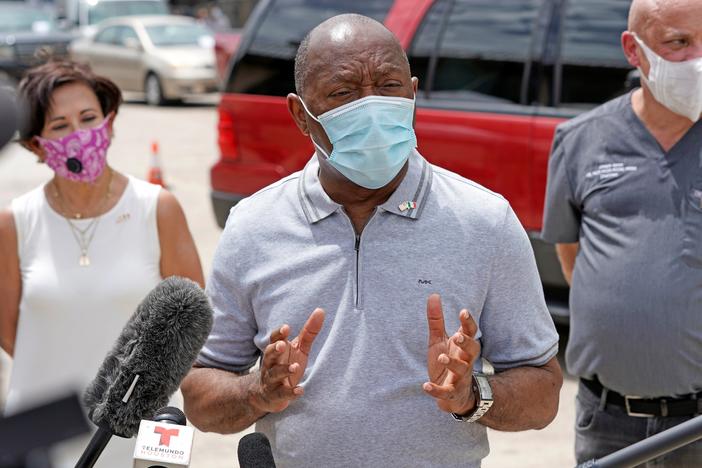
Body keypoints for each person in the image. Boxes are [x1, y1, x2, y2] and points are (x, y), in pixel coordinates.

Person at [182, 14, 562, 467]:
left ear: (414, 93)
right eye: (343, 93)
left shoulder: (484, 221)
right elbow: (201, 396)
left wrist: (470, 394)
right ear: (301, 116)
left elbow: (543, 391)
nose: (373, 107)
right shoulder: (254, 226)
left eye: (389, 85)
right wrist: (258, 392)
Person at [0, 60, 204, 466]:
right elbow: (9, 333)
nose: (78, 134)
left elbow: (189, 327)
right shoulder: (14, 222)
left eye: (88, 117)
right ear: (36, 145)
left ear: (109, 123)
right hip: (40, 435)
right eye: (59, 125)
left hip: (134, 435)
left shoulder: (158, 208)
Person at [541, 0, 702, 465]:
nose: (697, 58)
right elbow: (571, 254)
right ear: (634, 50)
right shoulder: (580, 140)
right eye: (679, 43)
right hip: (607, 418)